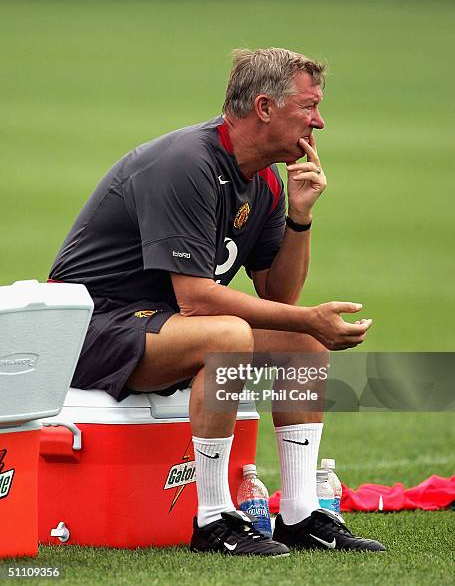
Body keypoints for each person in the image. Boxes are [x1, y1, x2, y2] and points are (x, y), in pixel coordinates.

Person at [49, 47, 385, 555]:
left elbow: (279, 292)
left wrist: (300, 217)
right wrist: (310, 318)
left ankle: (300, 514)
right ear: (265, 107)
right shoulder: (187, 163)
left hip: (160, 324)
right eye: (308, 106)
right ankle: (212, 519)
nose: (320, 121)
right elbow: (198, 301)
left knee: (301, 343)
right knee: (227, 335)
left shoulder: (265, 179)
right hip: (92, 327)